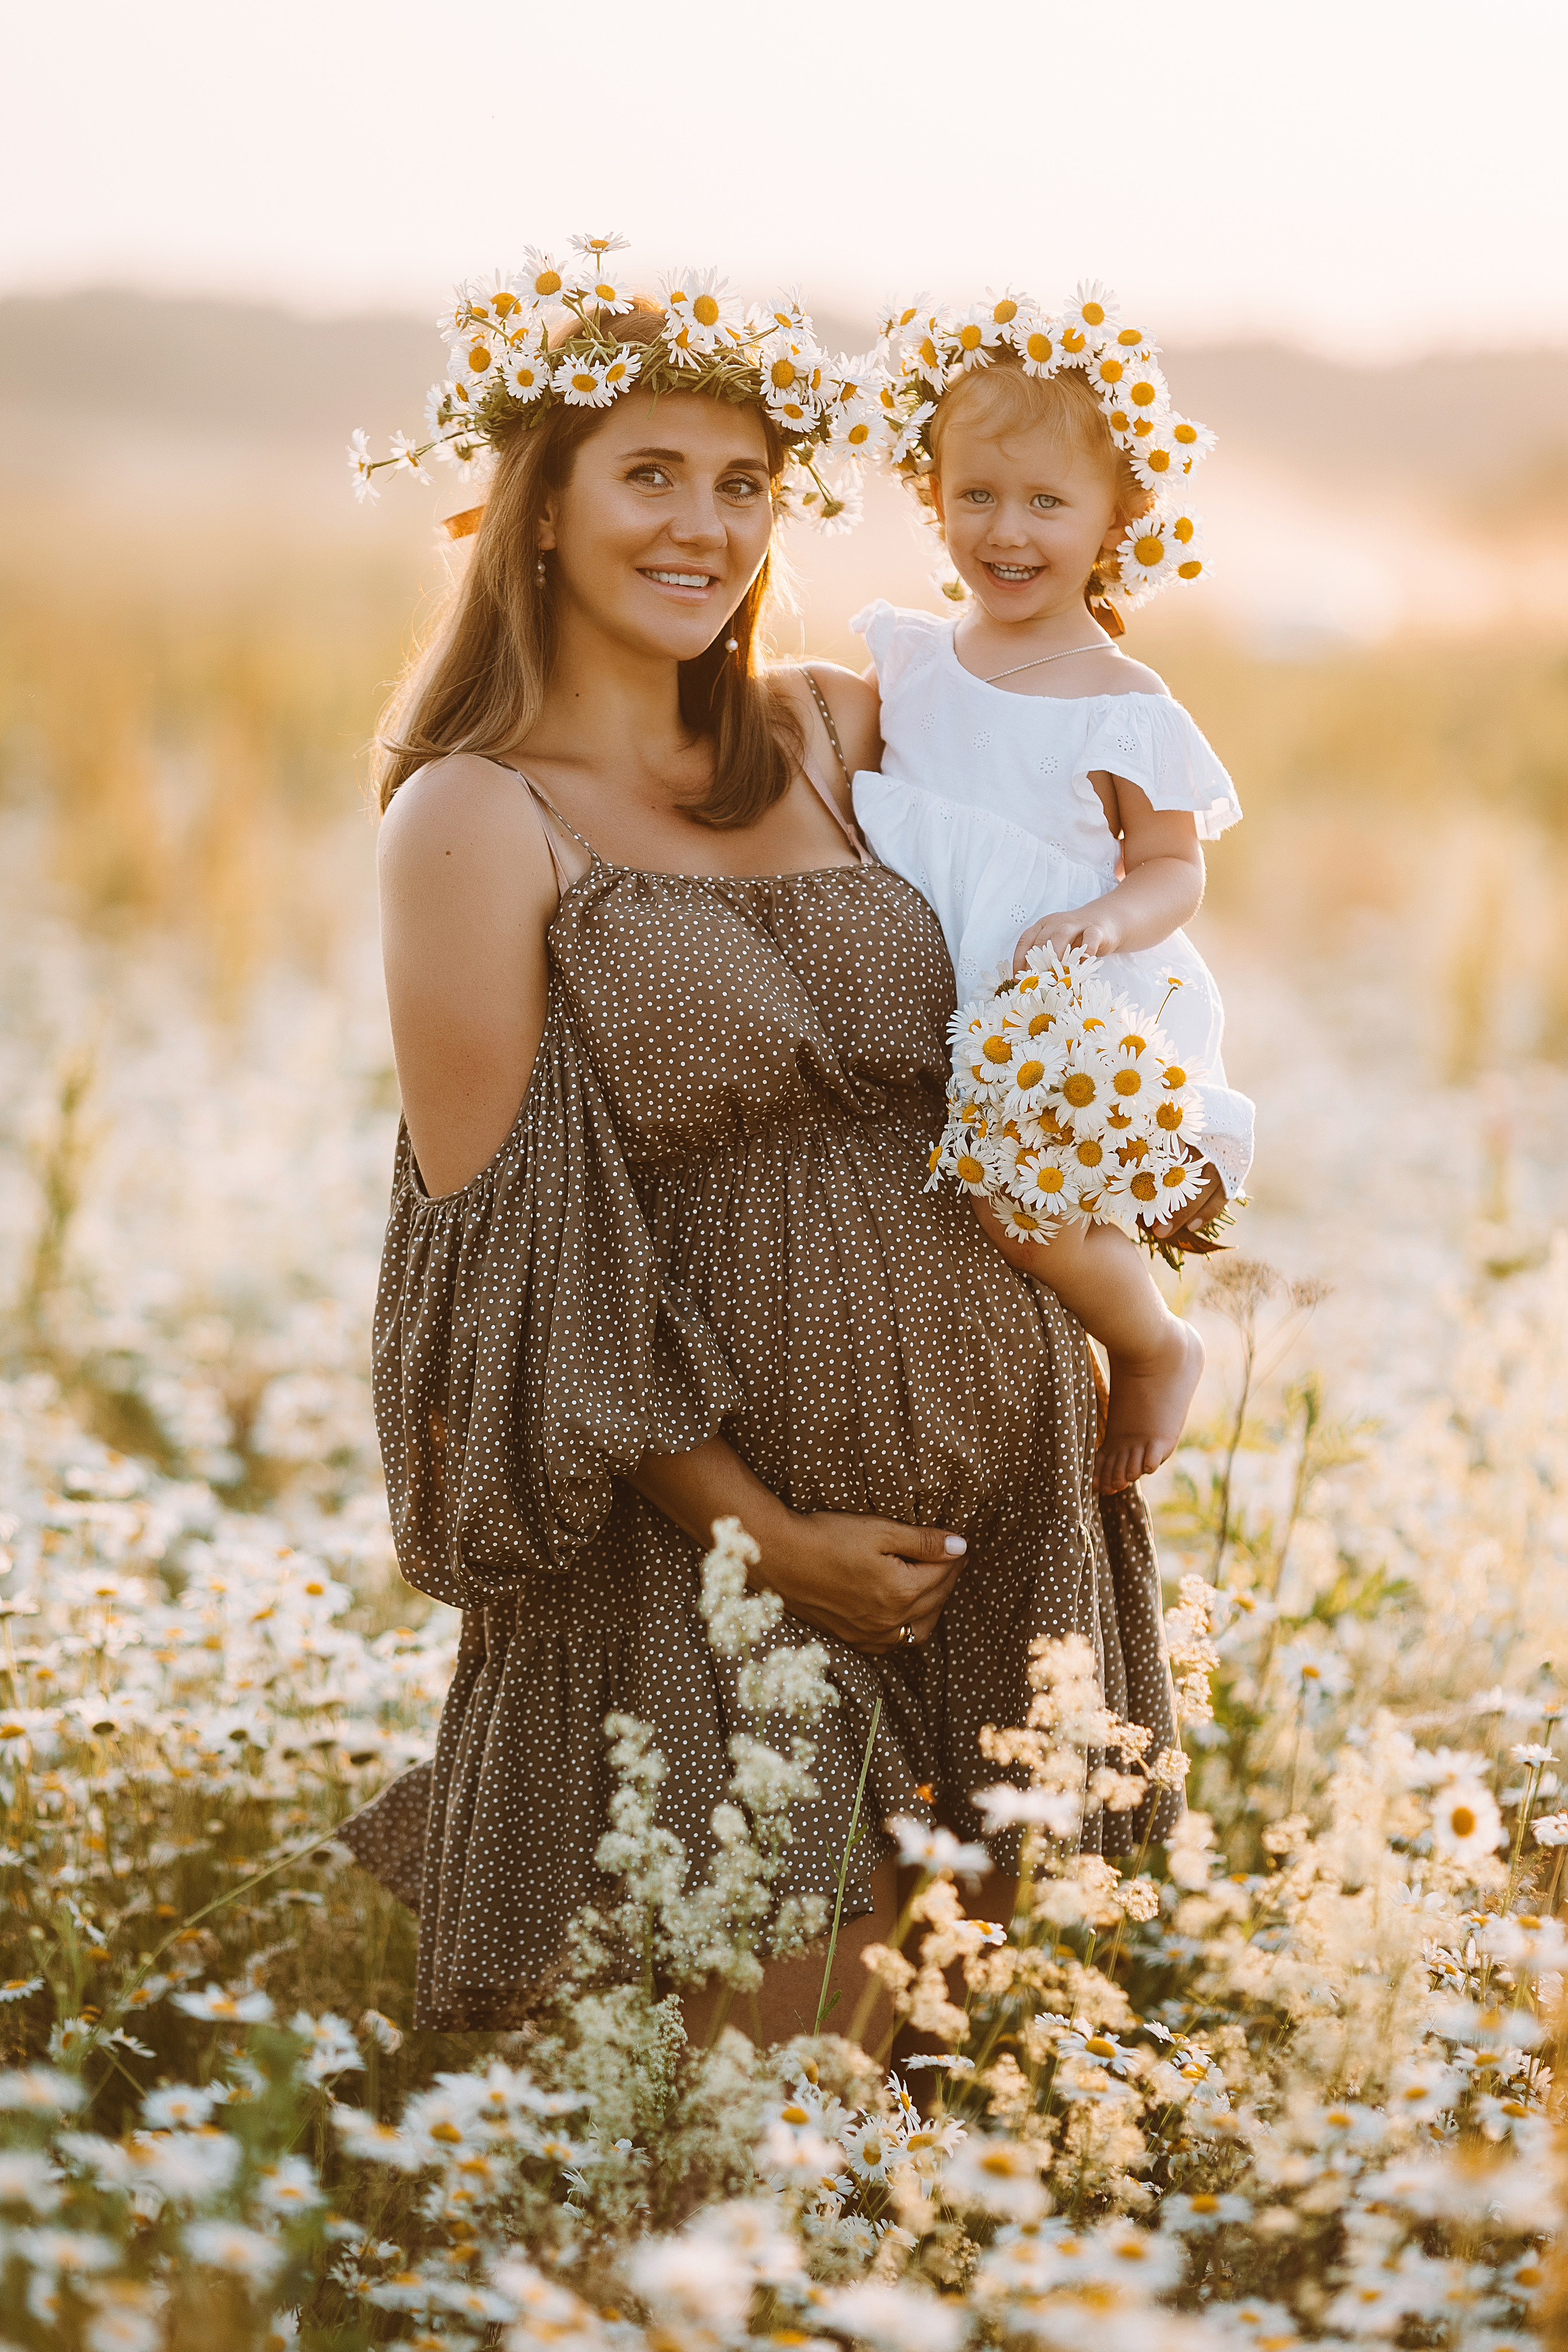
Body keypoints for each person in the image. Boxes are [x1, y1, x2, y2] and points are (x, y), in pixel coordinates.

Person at [337, 248, 1178, 2043]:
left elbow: (1102, 838)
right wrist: (766, 1540)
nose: (704, 529)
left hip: (998, 1507)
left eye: (743, 485)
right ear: (537, 508)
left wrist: (1146, 1309)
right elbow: (515, 1258)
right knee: (764, 2132)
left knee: (936, 2115)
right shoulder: (474, 819)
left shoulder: (829, 728)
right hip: (715, 1559)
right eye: (652, 474)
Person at [846, 285, 1254, 1494]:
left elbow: (1172, 867)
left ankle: (1148, 1341)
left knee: (1015, 1211)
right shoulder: (910, 658)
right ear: (929, 498)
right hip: (923, 979)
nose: (1005, 530)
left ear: (1113, 514)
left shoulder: (1121, 698)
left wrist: (1100, 920)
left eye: (1043, 502)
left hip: (1045, 997)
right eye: (974, 494)